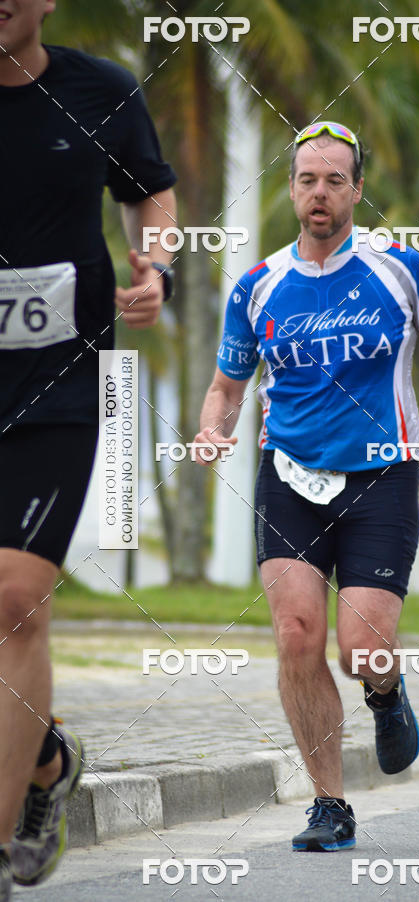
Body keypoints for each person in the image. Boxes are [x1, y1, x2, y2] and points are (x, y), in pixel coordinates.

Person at [195, 120, 419, 851]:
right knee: (296, 634)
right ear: (292, 190)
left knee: (362, 650)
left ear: (357, 190)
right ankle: (330, 805)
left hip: (381, 478)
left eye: (335, 181)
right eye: (307, 180)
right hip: (287, 476)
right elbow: (226, 386)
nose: (320, 193)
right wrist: (212, 427)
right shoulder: (258, 286)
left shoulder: (403, 271)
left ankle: (387, 691)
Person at [0, 2, 177, 897]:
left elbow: (149, 190)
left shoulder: (99, 91)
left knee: (14, 599)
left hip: (58, 385)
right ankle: (45, 764)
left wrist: (158, 268)